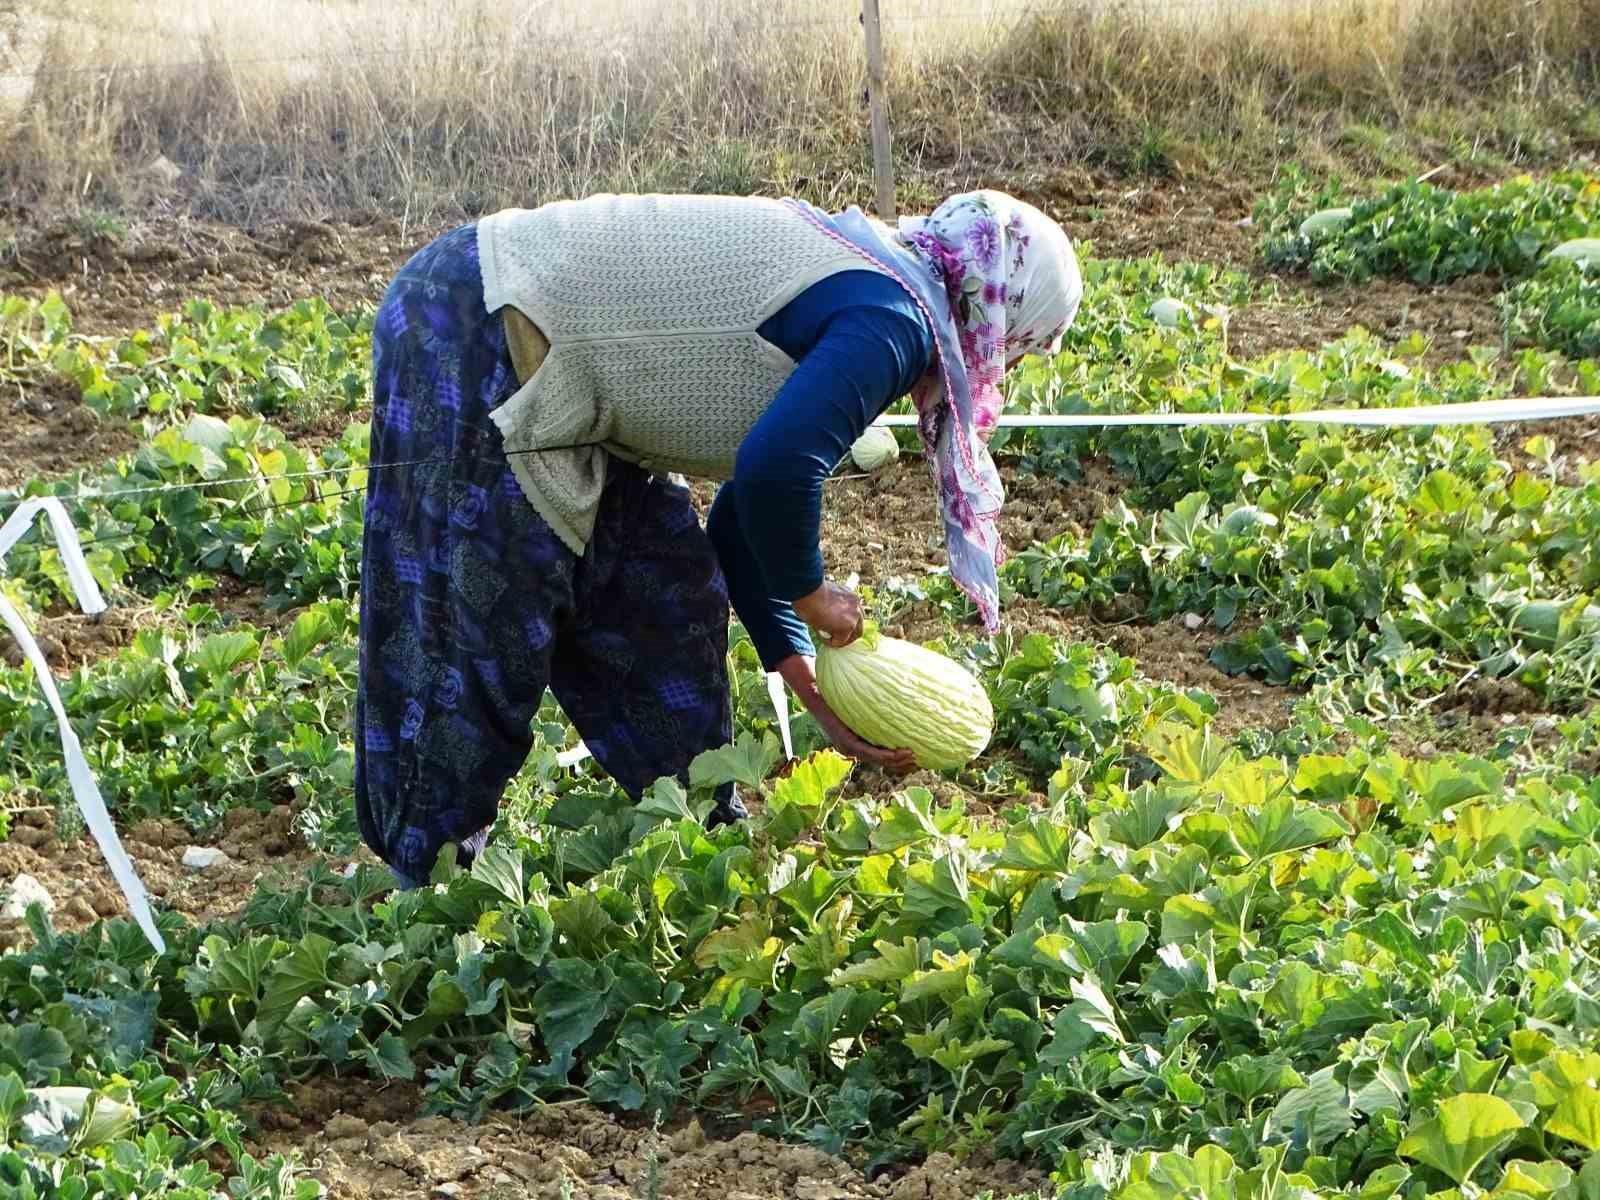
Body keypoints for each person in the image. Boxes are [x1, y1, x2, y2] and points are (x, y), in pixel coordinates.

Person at [354, 188, 1082, 888]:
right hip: (473, 323)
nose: (1009, 366)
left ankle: (698, 826)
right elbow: (775, 474)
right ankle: (432, 882)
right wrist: (816, 596)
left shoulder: (885, 291)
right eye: (1023, 349)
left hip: (580, 392)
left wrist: (798, 664)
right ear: (1000, 312)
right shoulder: (892, 317)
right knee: (484, 613)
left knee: (663, 590)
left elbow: (743, 510)